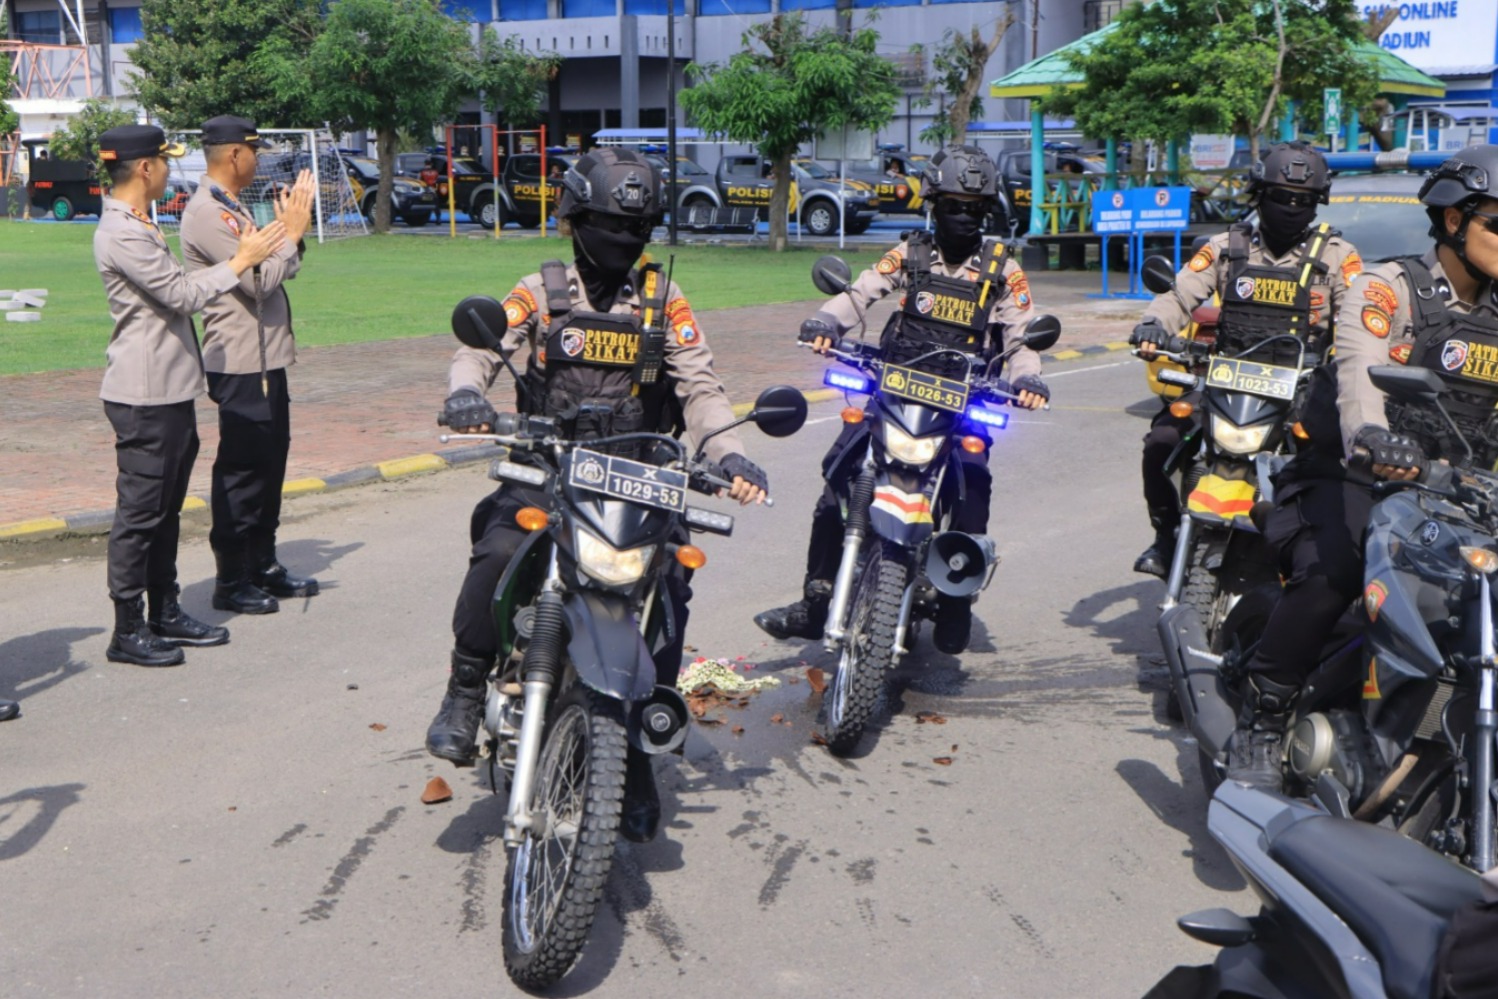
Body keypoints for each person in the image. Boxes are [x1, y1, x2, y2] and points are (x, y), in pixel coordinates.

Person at [424, 148, 768, 843]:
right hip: (548, 468)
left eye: (636, 228)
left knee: (666, 600)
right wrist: (466, 392)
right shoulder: (542, 289)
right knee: (496, 552)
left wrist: (730, 453)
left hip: (639, 482)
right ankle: (464, 689)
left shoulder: (664, 301)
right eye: (610, 223)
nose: (623, 239)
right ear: (576, 218)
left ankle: (636, 747)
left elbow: (701, 389)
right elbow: (481, 349)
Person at [1225, 144, 1498, 789]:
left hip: (1453, 493)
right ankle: (1264, 715)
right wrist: (1374, 435)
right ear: (1454, 222)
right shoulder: (1386, 287)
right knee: (1337, 574)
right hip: (1352, 474)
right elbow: (1357, 370)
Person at [754, 144, 1050, 655]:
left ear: (987, 213)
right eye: (952, 206)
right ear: (932, 204)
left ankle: (957, 602)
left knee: (973, 488)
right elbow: (861, 292)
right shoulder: (909, 255)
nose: (962, 217)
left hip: (963, 402)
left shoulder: (1005, 270)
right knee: (838, 484)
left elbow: (1021, 338)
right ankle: (816, 598)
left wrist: (1028, 379)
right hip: (894, 391)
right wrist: (826, 322)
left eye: (973, 209)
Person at [93, 124, 285, 667]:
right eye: (162, 160)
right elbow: (181, 294)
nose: (168, 169)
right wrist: (241, 261)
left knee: (166, 510)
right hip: (143, 392)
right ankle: (127, 627)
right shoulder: (122, 231)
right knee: (141, 514)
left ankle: (164, 610)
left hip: (168, 387)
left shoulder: (138, 223)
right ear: (146, 169)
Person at [1129, 142, 1363, 577]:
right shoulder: (1226, 247)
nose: (1292, 208)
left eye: (1303, 201)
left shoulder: (1337, 257)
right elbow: (1180, 293)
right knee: (1161, 441)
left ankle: (1312, 565)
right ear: (1259, 195)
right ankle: (1165, 537)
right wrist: (1153, 326)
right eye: (1280, 197)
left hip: (1300, 393)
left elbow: (1355, 324)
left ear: (1317, 204)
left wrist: (1347, 360)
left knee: (1334, 467)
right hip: (1223, 385)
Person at [181, 115, 319, 616]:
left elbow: (275, 267)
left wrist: (287, 239)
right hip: (239, 362)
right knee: (242, 469)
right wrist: (292, 234)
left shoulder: (230, 207)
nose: (258, 161)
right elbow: (257, 282)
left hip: (265, 358)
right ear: (235, 154)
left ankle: (262, 561)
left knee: (270, 461)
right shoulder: (207, 214)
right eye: (254, 151)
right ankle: (231, 576)